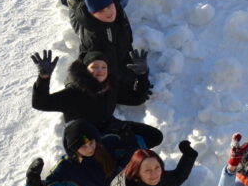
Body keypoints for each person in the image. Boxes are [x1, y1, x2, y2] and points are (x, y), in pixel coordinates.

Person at [30, 48, 161, 148]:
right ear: (85, 70)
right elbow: (40, 103)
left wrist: (142, 76)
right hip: (85, 141)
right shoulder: (73, 93)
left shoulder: (110, 88)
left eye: (104, 67)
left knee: (154, 136)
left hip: (111, 128)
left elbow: (137, 99)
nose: (100, 70)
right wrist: (43, 78)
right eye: (95, 67)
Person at [25, 119, 134, 186]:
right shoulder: (66, 169)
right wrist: (33, 185)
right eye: (83, 146)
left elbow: (135, 159)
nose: (90, 148)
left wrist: (128, 140)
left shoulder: (107, 145)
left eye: (91, 142)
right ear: (73, 148)